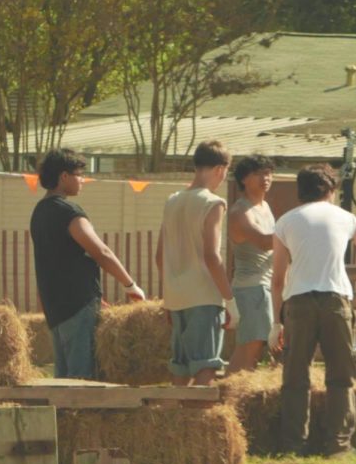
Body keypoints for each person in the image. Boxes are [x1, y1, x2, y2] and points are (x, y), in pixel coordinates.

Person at [272, 164, 356, 458]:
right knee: (341, 375)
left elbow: (278, 278)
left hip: (298, 303)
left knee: (295, 377)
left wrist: (275, 323)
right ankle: (339, 445)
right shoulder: (345, 218)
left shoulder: (285, 222)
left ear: (301, 191)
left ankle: (294, 445)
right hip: (336, 301)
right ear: (331, 189)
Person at [30, 149, 145, 379]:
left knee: (63, 376)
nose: (83, 180)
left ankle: (62, 415)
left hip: (55, 308)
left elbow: (53, 259)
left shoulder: (39, 212)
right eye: (78, 174)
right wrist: (130, 285)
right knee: (82, 377)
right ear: (64, 177)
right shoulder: (68, 211)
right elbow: (101, 252)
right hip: (76, 305)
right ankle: (76, 414)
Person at [156, 140, 238, 387]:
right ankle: (200, 416)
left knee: (180, 367)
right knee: (206, 365)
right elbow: (212, 256)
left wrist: (170, 295)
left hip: (176, 297)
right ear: (221, 169)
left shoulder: (172, 200)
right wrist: (230, 301)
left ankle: (176, 423)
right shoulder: (213, 203)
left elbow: (160, 255)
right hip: (204, 296)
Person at [227, 154, 277, 373]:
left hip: (266, 287)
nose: (265, 178)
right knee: (249, 349)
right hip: (251, 288)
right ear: (244, 179)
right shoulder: (240, 211)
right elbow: (265, 242)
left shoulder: (265, 206)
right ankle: (230, 396)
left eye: (268, 173)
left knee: (259, 347)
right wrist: (298, 231)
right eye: (258, 174)